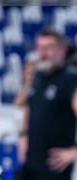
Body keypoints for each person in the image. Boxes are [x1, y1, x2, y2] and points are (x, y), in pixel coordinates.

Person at [17, 28, 77, 180]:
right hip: (30, 164)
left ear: (62, 50)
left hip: (53, 169)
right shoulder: (36, 76)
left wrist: (74, 153)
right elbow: (22, 104)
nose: (42, 53)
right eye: (39, 48)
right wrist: (23, 136)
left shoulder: (70, 79)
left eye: (48, 48)